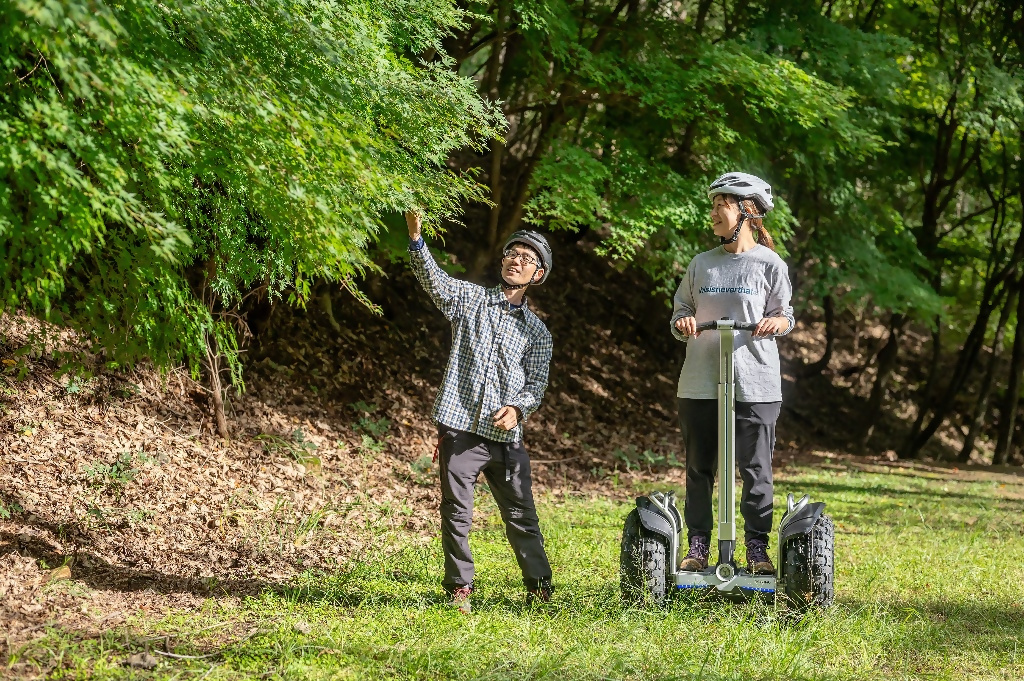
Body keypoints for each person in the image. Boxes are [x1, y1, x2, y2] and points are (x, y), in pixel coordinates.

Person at [404, 211, 554, 614]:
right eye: (512, 253)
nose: (516, 259)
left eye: (526, 257)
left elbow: (536, 383)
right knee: (457, 511)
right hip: (460, 427)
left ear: (537, 275)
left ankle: (539, 587)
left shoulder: (537, 333)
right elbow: (435, 282)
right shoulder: (470, 300)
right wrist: (418, 240)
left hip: (506, 438)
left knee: (522, 513)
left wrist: (518, 409)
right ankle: (459, 589)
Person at [669, 172, 795, 575]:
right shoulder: (701, 264)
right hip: (701, 382)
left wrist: (777, 323)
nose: (712, 214)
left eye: (720, 206)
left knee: (755, 469)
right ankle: (699, 547)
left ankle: (757, 550)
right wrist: (684, 323)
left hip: (755, 383)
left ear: (746, 212)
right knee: (699, 468)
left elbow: (785, 314)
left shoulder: (769, 264)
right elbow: (680, 313)